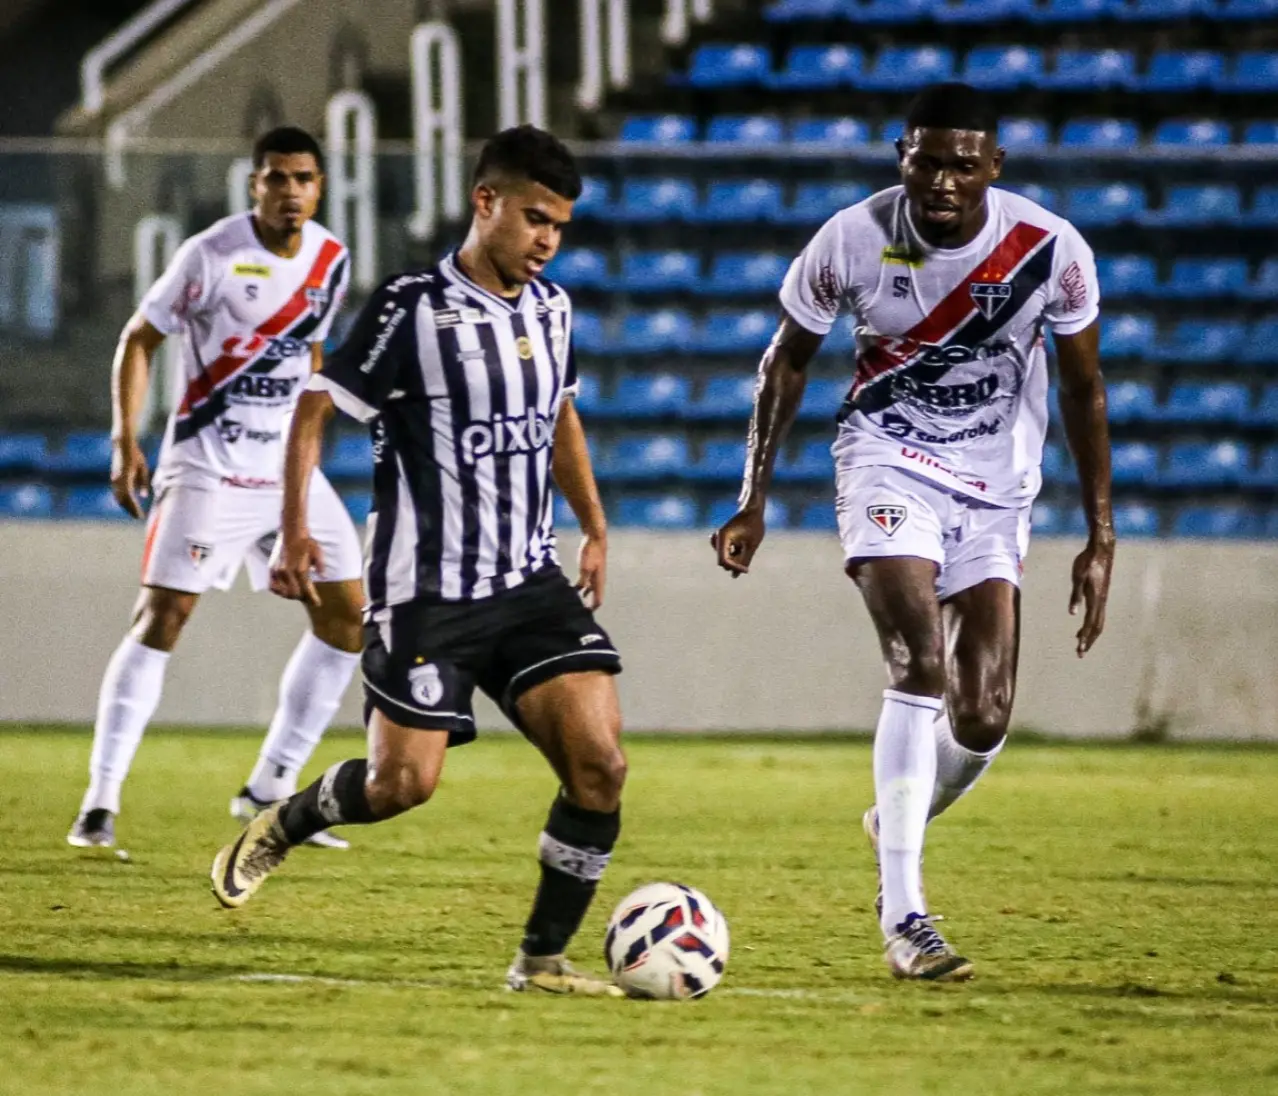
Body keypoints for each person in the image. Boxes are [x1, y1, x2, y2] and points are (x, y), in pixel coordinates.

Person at [209, 125, 628, 997]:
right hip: (427, 593)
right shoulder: (411, 306)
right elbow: (316, 408)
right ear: (486, 203)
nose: (548, 240)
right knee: (404, 784)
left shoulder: (553, 310)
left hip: (528, 580)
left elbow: (558, 419)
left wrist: (592, 523)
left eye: (560, 226)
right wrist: (294, 528)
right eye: (535, 218)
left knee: (600, 766)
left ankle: (542, 960)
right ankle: (288, 817)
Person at [712, 83, 1114, 981]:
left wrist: (1101, 534)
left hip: (996, 489)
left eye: (962, 165)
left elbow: (1086, 392)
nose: (941, 181)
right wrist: (754, 496)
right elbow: (786, 362)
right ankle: (906, 918)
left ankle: (896, 812)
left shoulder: (1051, 251)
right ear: (902, 154)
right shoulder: (852, 237)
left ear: (993, 168)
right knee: (920, 663)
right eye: (926, 161)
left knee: (982, 717)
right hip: (886, 462)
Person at [67, 127, 364, 852]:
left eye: (304, 178)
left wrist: (307, 456)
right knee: (163, 618)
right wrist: (124, 437)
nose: (290, 191)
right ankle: (99, 803)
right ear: (253, 184)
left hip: (286, 471)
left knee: (350, 619)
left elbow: (313, 363)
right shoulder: (210, 255)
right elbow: (141, 337)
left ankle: (268, 786)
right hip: (208, 466)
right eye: (276, 178)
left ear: (319, 187)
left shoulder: (331, 259)